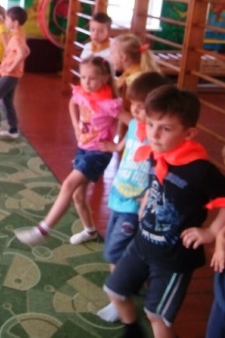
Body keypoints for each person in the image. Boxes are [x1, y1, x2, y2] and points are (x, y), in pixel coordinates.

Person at [104, 85, 225, 338]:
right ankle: (132, 330)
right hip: (142, 244)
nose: (154, 134)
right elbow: (156, 180)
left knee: (156, 315)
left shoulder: (200, 170)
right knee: (114, 291)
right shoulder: (156, 152)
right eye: (150, 124)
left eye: (166, 128)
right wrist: (147, 199)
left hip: (174, 258)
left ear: (189, 133)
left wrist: (212, 231)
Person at [15, 56, 122, 246]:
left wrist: (117, 146)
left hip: (98, 153)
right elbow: (73, 102)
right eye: (83, 77)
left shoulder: (108, 103)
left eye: (92, 78)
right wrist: (75, 126)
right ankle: (90, 231)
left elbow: (136, 124)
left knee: (68, 185)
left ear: (105, 79)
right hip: (83, 148)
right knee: (77, 196)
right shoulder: (83, 93)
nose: (86, 82)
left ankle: (42, 230)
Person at [97, 72, 172, 323]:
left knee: (114, 252)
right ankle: (132, 284)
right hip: (118, 197)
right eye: (135, 106)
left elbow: (162, 170)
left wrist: (151, 196)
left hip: (134, 205)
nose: (137, 111)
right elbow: (127, 139)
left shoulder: (156, 137)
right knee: (116, 247)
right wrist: (115, 147)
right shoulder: (132, 126)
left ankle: (117, 297)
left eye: (143, 107)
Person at [0, 6, 30, 139]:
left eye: (7, 19)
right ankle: (13, 130)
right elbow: (26, 51)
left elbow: (21, 53)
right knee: (6, 101)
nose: (5, 21)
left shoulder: (16, 38)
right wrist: (3, 66)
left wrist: (10, 68)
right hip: (11, 73)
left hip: (11, 75)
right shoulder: (19, 34)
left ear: (15, 22)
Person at [109, 33, 160, 133]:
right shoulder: (130, 74)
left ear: (123, 57)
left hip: (140, 128)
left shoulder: (134, 79)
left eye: (112, 53)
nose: (110, 57)